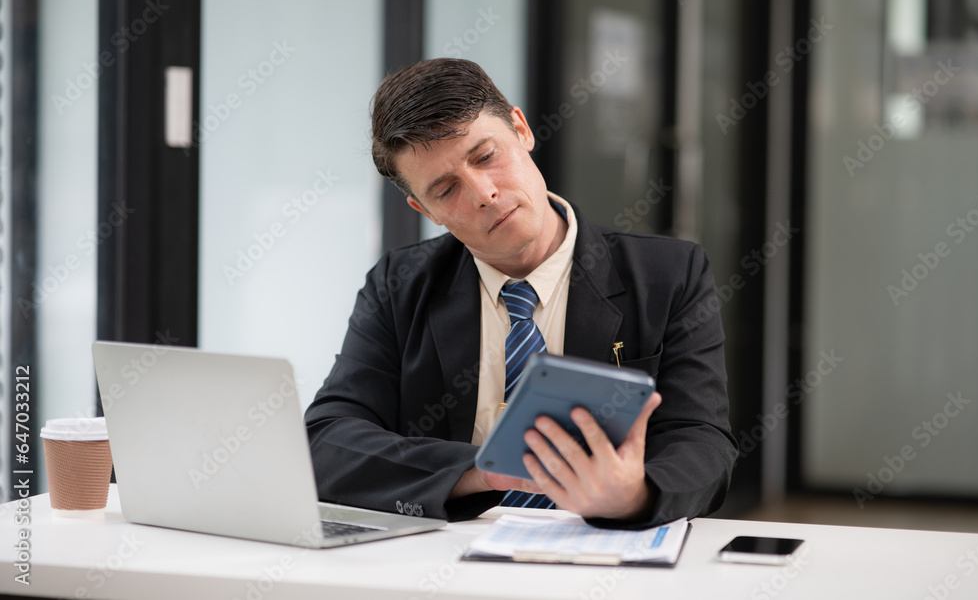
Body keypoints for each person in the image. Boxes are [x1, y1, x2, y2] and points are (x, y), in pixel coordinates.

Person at [305, 58, 737, 528]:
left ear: (521, 129)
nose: (483, 194)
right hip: (450, 553)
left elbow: (703, 441)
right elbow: (325, 443)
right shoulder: (398, 286)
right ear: (424, 210)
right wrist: (480, 471)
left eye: (485, 157)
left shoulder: (668, 273)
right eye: (446, 190)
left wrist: (634, 495)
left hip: (602, 546)